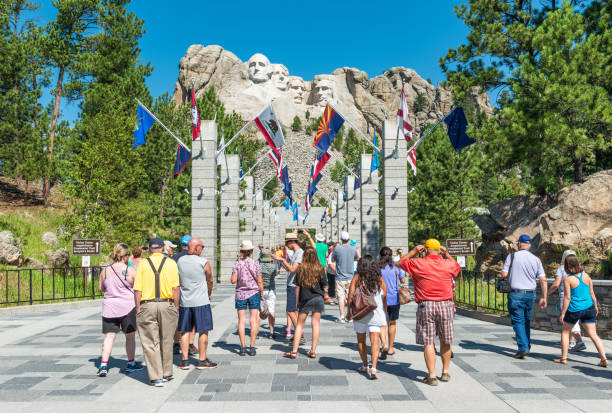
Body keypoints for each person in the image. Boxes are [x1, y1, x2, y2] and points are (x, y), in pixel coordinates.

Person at [397, 239, 461, 386]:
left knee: (428, 341)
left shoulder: (418, 263)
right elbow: (457, 267)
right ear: (439, 250)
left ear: (425, 250)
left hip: (426, 305)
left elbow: (399, 263)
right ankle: (445, 372)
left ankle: (431, 376)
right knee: (446, 339)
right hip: (445, 304)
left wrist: (414, 251)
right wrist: (446, 253)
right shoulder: (448, 264)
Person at [134, 238, 180, 387]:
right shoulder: (171, 263)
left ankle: (156, 377)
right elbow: (176, 289)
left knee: (149, 341)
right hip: (167, 304)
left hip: (147, 304)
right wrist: (176, 307)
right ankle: (167, 372)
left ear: (149, 249)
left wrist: (138, 308)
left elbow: (137, 290)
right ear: (162, 248)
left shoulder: (142, 264)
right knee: (167, 339)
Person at [97, 243, 143, 377]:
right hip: (128, 307)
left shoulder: (105, 270)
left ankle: (103, 365)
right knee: (130, 337)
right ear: (126, 256)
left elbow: (101, 288)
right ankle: (131, 363)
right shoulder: (131, 271)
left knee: (109, 337)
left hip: (109, 307)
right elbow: (138, 288)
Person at [500, 234, 548, 359]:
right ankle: (527, 345)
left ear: (519, 244)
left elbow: (504, 274)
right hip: (530, 294)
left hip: (516, 293)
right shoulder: (536, 259)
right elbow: (543, 280)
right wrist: (544, 297)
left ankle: (523, 348)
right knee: (526, 321)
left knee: (518, 321)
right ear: (529, 245)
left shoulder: (512, 256)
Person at [555, 255, 608, 367]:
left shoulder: (568, 279)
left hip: (574, 309)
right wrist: (596, 306)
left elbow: (567, 298)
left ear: (568, 266)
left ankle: (563, 358)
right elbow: (592, 293)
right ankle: (604, 359)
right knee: (594, 334)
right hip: (589, 308)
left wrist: (563, 313)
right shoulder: (586, 276)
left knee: (565, 332)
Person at [176, 238, 217, 370]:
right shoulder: (203, 262)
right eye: (202, 247)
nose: (202, 249)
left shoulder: (180, 261)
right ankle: (202, 360)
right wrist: (209, 293)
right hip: (201, 301)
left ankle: (184, 360)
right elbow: (210, 280)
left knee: (184, 330)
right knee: (203, 330)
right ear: (196, 248)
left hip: (185, 301)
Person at [347, 255, 387, 380]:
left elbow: (350, 296)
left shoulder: (357, 277)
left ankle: (365, 365)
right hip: (376, 313)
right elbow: (385, 296)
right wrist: (384, 311)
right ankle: (374, 368)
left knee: (361, 341)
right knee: (375, 341)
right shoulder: (379, 278)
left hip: (360, 313)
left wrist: (349, 312)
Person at [283, 248, 327, 359]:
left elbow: (297, 287)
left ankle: (294, 351)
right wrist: (325, 294)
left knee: (299, 324)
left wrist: (297, 302)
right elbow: (324, 285)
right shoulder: (320, 268)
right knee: (315, 324)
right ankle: (312, 351)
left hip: (305, 299)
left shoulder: (301, 268)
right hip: (318, 298)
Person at [547, 249, 587, 351]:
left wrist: (546, 294)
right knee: (575, 321)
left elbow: (556, 284)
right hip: (579, 298)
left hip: (566, 298)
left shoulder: (561, 268)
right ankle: (572, 342)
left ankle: (579, 341)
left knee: (569, 322)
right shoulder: (580, 270)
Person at [231, 240, 264, 356]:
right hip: (254, 293)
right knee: (253, 320)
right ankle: (252, 346)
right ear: (251, 251)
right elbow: (260, 280)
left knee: (241, 320)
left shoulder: (237, 264)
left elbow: (233, 281)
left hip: (240, 294)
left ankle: (243, 346)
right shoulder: (256, 263)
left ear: (242, 251)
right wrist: (262, 295)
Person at [272, 232, 304, 344]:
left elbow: (292, 269)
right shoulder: (296, 252)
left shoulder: (300, 253)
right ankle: (299, 334)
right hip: (291, 283)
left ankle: (300, 335)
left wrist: (281, 260)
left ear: (292, 242)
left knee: (290, 311)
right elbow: (288, 268)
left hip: (294, 285)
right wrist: (281, 260)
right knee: (293, 311)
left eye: (287, 242)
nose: (286, 245)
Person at [171, 234, 198, 355]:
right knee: (191, 319)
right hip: (191, 291)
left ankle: (176, 344)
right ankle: (190, 344)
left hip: (176, 291)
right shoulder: (194, 257)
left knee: (177, 319)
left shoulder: (174, 258)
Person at [379, 246, 405, 359]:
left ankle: (383, 345)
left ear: (380, 256)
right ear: (390, 256)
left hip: (381, 298)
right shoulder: (396, 267)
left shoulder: (378, 268)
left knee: (382, 323)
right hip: (394, 298)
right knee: (392, 322)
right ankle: (390, 348)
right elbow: (403, 280)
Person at [330, 231, 359, 323]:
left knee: (341, 297)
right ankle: (349, 316)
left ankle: (342, 316)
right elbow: (357, 258)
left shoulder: (337, 249)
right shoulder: (353, 249)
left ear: (341, 239)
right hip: (350, 276)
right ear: (349, 239)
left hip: (339, 277)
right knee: (350, 296)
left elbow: (332, 259)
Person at [260, 248, 278, 338]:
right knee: (271, 311)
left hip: (261, 291)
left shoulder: (258, 265)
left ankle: (256, 332)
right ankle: (272, 332)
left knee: (258, 311)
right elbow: (275, 275)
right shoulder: (274, 266)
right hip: (271, 290)